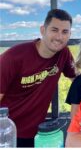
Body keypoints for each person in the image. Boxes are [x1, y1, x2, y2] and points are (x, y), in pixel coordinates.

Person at [0, 9, 76, 147]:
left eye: (65, 32)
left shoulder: (63, 54)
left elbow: (76, 80)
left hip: (38, 134)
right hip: (7, 134)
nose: (59, 37)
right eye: (54, 30)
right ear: (43, 30)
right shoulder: (14, 57)